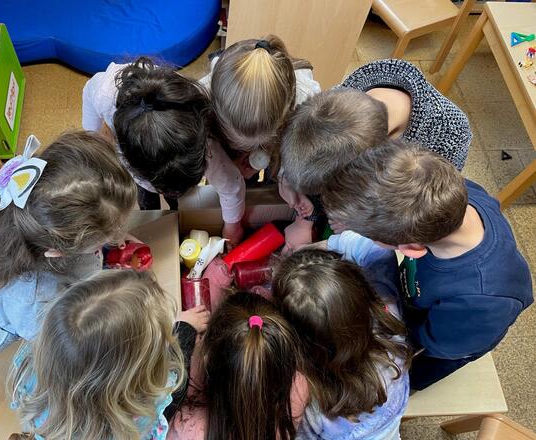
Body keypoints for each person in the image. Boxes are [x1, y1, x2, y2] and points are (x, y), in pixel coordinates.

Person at [321, 140, 533, 390]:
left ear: (412, 248)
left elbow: (434, 345)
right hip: (423, 301)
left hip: (442, 344)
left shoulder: (483, 300)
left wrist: (383, 325)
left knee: (394, 381)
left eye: (367, 236)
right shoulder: (449, 192)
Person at [279, 59, 471, 251]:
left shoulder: (450, 137)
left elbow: (411, 217)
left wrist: (353, 224)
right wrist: (289, 182)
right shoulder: (343, 101)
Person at [0, 131, 137, 355]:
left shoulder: (48, 213)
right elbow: (62, 348)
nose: (118, 237)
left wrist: (110, 239)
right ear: (58, 251)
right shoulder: (35, 306)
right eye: (107, 238)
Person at [9, 270, 209, 440]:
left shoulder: (29, 374)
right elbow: (172, 391)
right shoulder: (139, 420)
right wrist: (184, 330)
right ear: (134, 378)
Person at [82, 57, 246, 245]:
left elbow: (231, 187)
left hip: (165, 156)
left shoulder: (204, 143)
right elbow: (89, 94)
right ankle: (152, 211)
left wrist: (233, 227)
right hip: (138, 166)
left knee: (179, 204)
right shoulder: (104, 93)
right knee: (147, 200)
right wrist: (94, 138)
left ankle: (175, 211)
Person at [274, 240, 411, 440]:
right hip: (389, 431)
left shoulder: (309, 401)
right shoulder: (390, 322)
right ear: (362, 287)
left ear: (294, 336)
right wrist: (322, 247)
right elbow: (373, 247)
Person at [169, 291, 310, 440]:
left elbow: (164, 402)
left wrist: (194, 369)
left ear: (209, 364)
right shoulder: (299, 387)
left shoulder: (187, 431)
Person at [201, 35, 320, 179]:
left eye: (261, 144)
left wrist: (269, 154)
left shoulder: (305, 104)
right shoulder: (205, 93)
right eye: (241, 146)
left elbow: (296, 158)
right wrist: (225, 165)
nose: (248, 150)